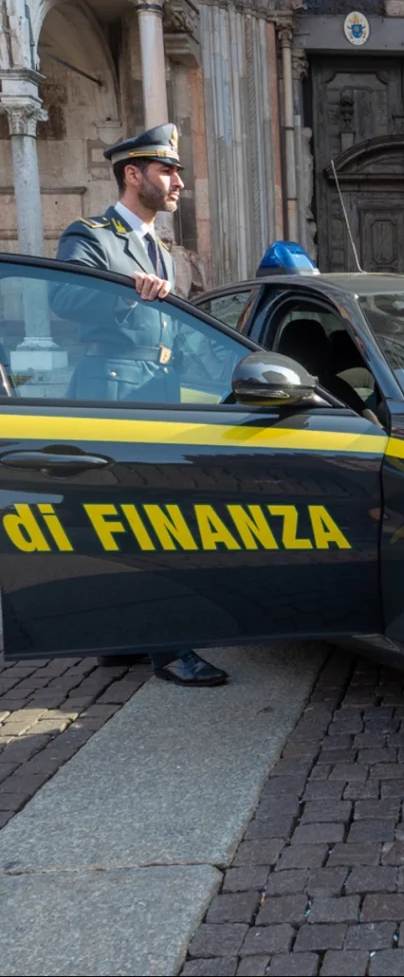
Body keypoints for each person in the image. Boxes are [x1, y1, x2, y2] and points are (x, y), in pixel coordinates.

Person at [53, 122, 228, 688]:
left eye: (176, 170)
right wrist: (126, 290)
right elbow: (63, 298)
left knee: (127, 525)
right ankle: (170, 648)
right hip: (113, 391)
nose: (178, 181)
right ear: (134, 175)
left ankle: (119, 637)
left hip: (156, 393)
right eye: (167, 170)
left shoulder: (159, 246)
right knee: (151, 524)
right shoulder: (93, 234)